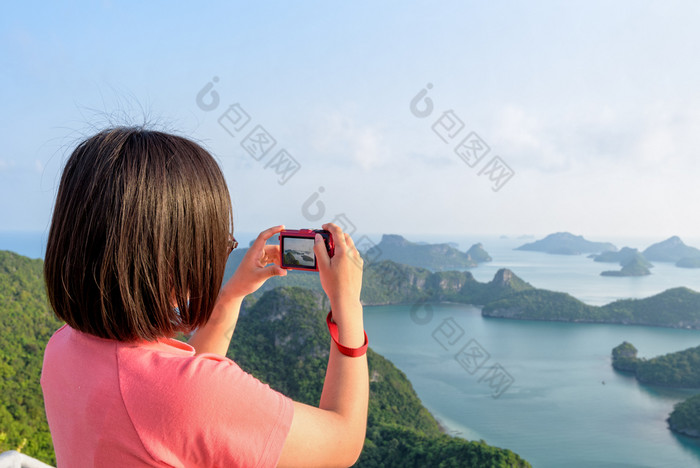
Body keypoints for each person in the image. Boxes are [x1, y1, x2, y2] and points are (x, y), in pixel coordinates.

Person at [41, 127, 369, 467]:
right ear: (169, 257)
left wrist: (231, 296)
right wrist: (347, 306)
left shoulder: (63, 348)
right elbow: (342, 441)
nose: (218, 255)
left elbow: (170, 390)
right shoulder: (192, 395)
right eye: (216, 244)